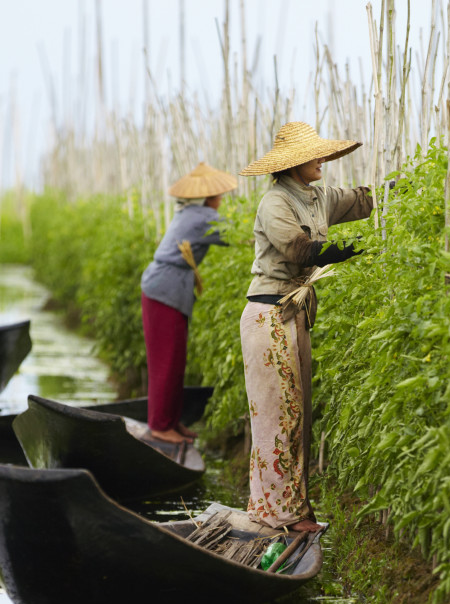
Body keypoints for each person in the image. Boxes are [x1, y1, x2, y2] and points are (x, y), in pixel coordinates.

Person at [238, 122, 374, 532]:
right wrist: (331, 253)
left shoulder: (318, 196)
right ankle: (279, 513)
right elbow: (298, 249)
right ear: (295, 163)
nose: (323, 160)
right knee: (278, 414)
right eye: (315, 155)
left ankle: (290, 507)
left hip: (293, 313)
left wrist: (393, 193)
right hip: (269, 314)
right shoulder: (275, 202)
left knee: (298, 410)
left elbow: (362, 203)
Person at [139, 162, 236, 444]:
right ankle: (159, 426)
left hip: (167, 288)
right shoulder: (203, 217)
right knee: (166, 360)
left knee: (175, 359)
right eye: (218, 195)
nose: (221, 200)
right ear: (209, 198)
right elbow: (242, 235)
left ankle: (170, 420)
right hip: (164, 290)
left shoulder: (191, 212)